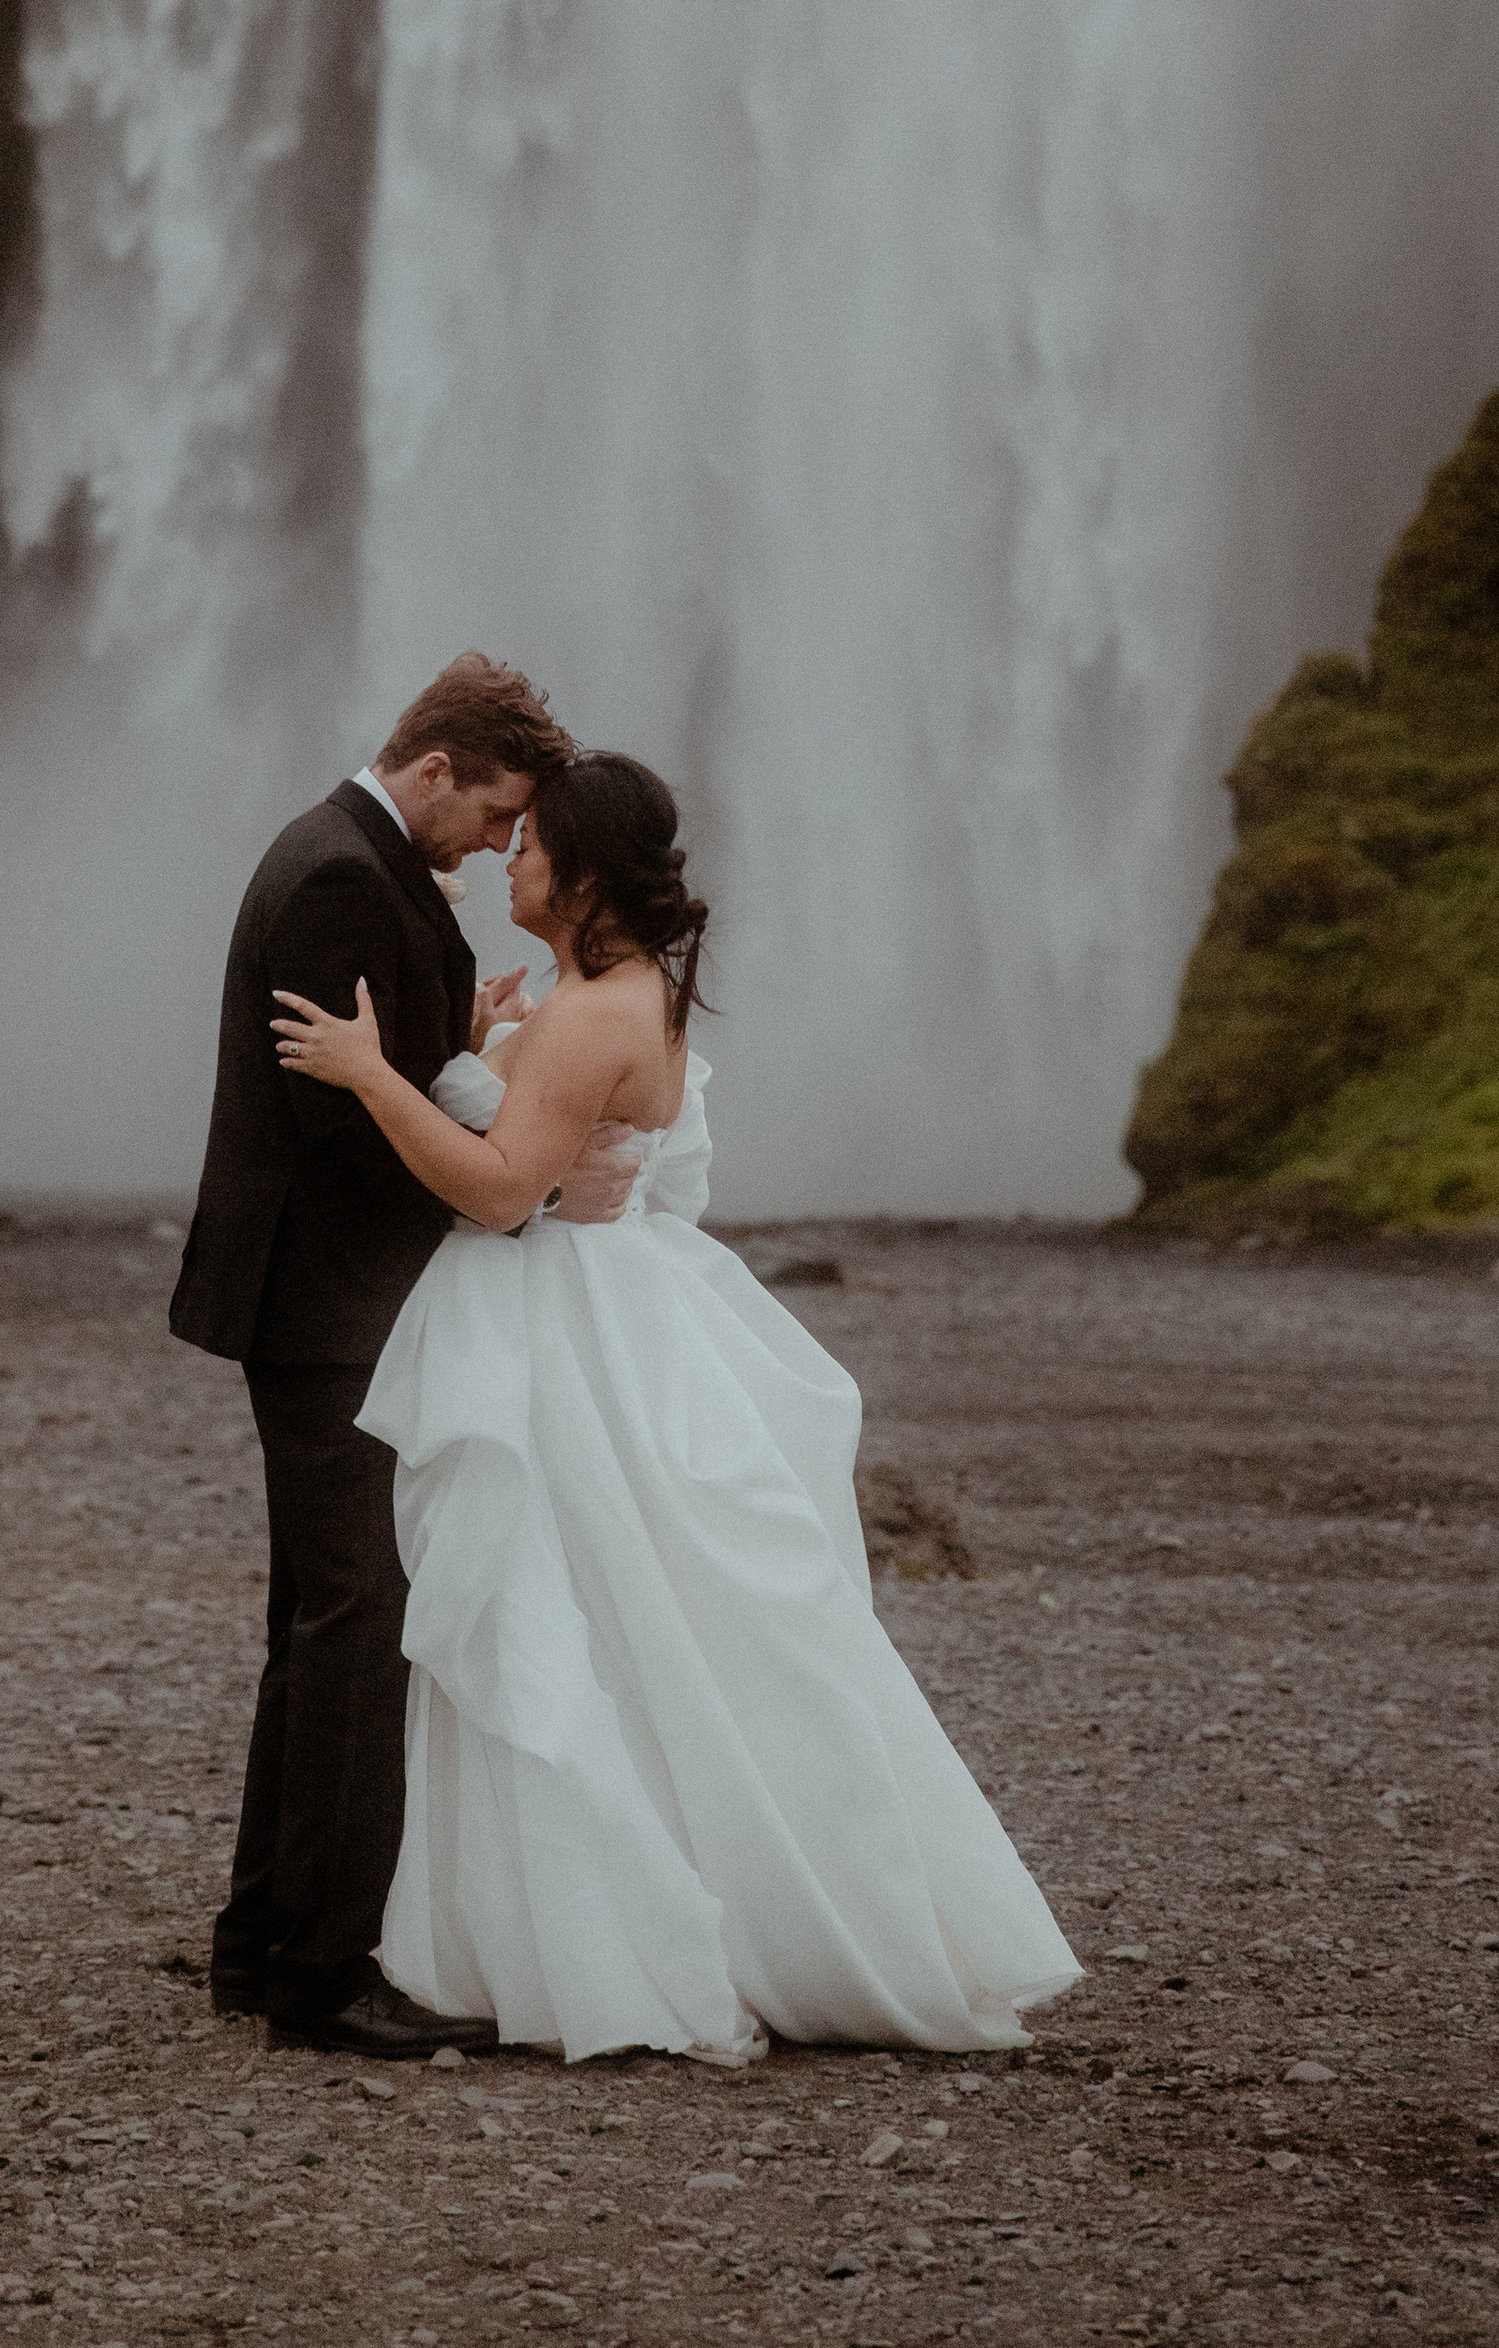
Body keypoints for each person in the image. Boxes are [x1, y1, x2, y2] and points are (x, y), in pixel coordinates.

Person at [271, 748, 1084, 2062]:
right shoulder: (609, 995)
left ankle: (611, 1935)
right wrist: (485, 1051)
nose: (511, 862)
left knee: (573, 1618)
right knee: (637, 1626)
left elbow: (494, 1192)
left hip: (572, 1335)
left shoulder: (597, 1013)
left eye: (529, 842)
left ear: (583, 871)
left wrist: (372, 1074)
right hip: (605, 1315)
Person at [170, 652, 640, 2060]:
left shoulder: (352, 860)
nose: (502, 843)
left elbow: (381, 1074)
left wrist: (461, 1041)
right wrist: (521, 1185)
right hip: (327, 1311)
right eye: (496, 814)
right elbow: (339, 1130)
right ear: (436, 769)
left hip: (325, 1304)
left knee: (315, 1623)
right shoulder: (338, 876)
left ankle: (262, 1945)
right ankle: (320, 1976)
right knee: (358, 1622)